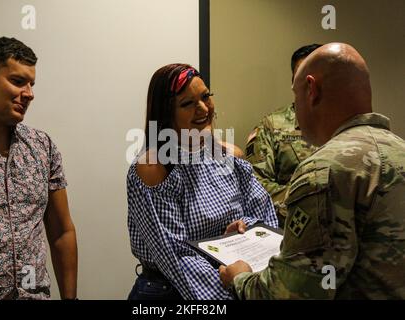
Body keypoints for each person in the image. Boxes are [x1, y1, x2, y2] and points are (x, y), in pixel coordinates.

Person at [220, 42, 405, 299]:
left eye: (296, 96)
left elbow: (292, 291)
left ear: (312, 90)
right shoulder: (399, 150)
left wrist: (239, 278)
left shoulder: (323, 170)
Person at [126, 63, 278, 300]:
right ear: (166, 113)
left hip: (235, 281)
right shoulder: (154, 168)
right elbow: (176, 257)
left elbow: (265, 220)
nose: (203, 108)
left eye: (205, 96)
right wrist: (241, 287)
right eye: (187, 103)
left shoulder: (231, 156)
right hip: (172, 291)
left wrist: (241, 230)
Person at [0, 36, 78, 299]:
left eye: (32, 84)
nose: (30, 94)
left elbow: (61, 232)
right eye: (18, 81)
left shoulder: (42, 146)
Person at [245, 44, 321, 227]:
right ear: (293, 80)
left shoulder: (343, 122)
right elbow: (255, 183)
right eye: (303, 74)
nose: (310, 81)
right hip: (290, 227)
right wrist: (305, 198)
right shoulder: (272, 125)